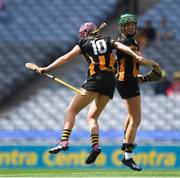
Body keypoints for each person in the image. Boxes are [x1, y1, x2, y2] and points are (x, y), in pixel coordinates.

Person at [32, 22, 144, 164]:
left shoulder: (84, 42)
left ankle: (64, 142)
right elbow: (121, 48)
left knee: (71, 111)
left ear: (85, 33)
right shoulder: (108, 40)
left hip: (95, 80)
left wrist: (46, 68)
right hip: (110, 83)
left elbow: (66, 58)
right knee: (92, 117)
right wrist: (136, 55)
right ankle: (95, 146)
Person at [116, 14, 160, 171]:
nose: (130, 27)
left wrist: (139, 77)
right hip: (127, 82)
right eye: (127, 25)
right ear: (122, 27)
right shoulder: (125, 41)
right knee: (136, 119)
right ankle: (128, 156)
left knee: (130, 115)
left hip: (127, 80)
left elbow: (129, 64)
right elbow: (140, 60)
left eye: (132, 25)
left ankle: (125, 141)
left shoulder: (130, 41)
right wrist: (154, 64)